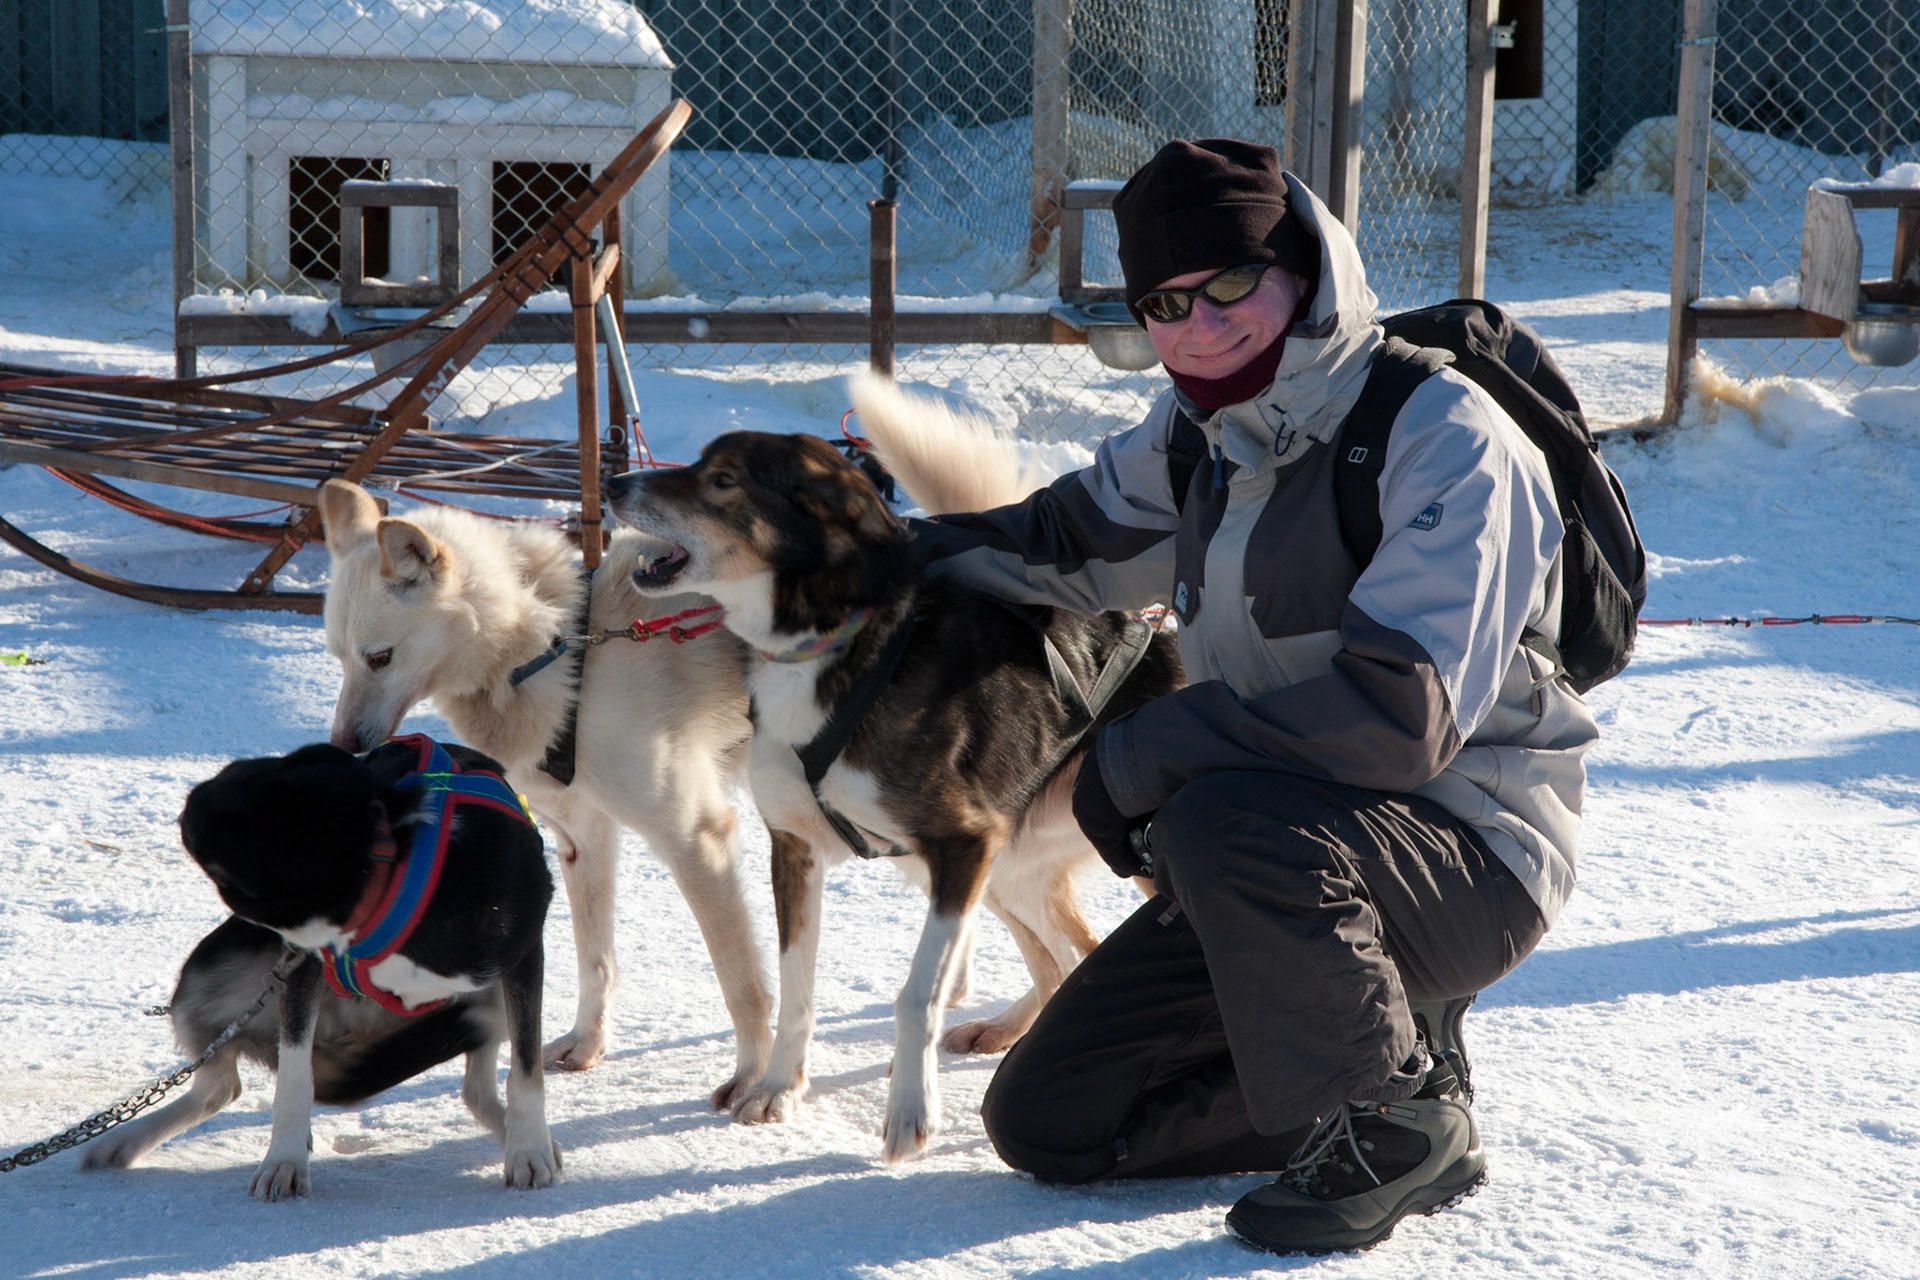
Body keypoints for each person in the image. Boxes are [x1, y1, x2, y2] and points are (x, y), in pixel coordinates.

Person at [911, 138, 1595, 1255]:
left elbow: (1397, 720)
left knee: (1215, 811)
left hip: (1466, 852)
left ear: (1302, 271)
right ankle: (1385, 1046)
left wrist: (1141, 751)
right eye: (1164, 301)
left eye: (1231, 281)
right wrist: (858, 564)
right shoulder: (1203, 439)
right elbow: (1059, 543)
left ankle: (1396, 1119)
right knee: (1051, 1119)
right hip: (1277, 854)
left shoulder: (1442, 435)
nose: (1201, 323)